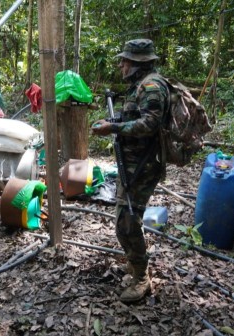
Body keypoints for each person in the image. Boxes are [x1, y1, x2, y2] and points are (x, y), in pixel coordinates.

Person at [91, 39, 170, 303]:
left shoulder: (152, 87)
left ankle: (142, 279)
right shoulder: (139, 87)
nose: (121, 65)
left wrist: (113, 128)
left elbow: (149, 124)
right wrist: (113, 123)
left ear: (138, 64)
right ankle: (135, 267)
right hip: (133, 163)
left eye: (125, 61)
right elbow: (133, 119)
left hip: (144, 166)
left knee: (128, 221)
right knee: (123, 220)